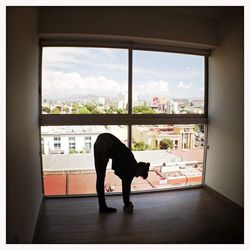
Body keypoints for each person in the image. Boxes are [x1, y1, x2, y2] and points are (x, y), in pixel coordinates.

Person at [94, 133, 150, 213]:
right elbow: (126, 188)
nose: (137, 176)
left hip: (102, 140)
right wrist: (127, 204)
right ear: (140, 169)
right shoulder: (132, 169)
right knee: (100, 177)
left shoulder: (131, 160)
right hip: (106, 143)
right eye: (139, 175)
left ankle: (102, 206)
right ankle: (102, 207)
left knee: (100, 177)